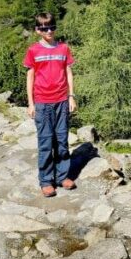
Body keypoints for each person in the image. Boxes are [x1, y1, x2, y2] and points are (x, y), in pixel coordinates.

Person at [23, 12, 77, 197]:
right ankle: (46, 180)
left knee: (61, 141)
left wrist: (71, 96)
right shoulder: (33, 51)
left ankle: (62, 176)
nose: (49, 31)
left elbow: (68, 72)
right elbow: (30, 76)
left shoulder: (63, 49)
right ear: (37, 30)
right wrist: (31, 103)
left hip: (62, 101)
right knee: (46, 142)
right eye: (44, 28)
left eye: (52, 27)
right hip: (43, 103)